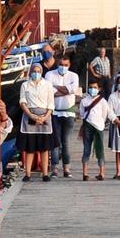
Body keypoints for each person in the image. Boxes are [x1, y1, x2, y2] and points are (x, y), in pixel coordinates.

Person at [46, 51, 82, 179]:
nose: (63, 67)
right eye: (61, 64)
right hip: (54, 112)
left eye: (65, 65)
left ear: (69, 64)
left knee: (66, 141)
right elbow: (49, 92)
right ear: (57, 64)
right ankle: (54, 168)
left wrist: (57, 88)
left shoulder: (74, 76)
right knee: (55, 142)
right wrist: (66, 90)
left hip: (69, 112)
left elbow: (72, 90)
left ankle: (66, 168)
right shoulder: (50, 74)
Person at [17, 63, 54, 181]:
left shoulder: (48, 85)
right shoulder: (25, 85)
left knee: (44, 148)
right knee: (30, 147)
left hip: (44, 115)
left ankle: (45, 173)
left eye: (38, 71)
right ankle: (27, 173)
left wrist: (44, 117)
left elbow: (51, 103)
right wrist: (31, 115)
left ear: (41, 72)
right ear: (30, 72)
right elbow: (22, 101)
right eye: (34, 71)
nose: (36, 73)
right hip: (30, 114)